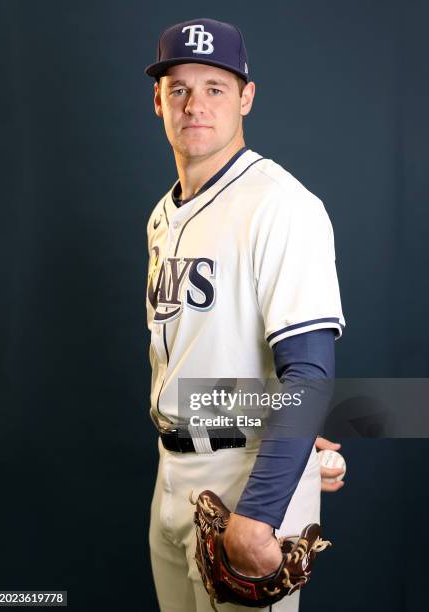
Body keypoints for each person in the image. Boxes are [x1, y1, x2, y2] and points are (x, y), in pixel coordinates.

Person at [144, 18, 346, 612]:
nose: (194, 104)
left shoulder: (282, 207)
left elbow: (308, 374)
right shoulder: (161, 216)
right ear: (157, 101)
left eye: (215, 87)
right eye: (178, 87)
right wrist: (290, 426)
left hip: (247, 484)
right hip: (172, 473)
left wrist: (261, 511)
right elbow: (211, 356)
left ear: (246, 98)